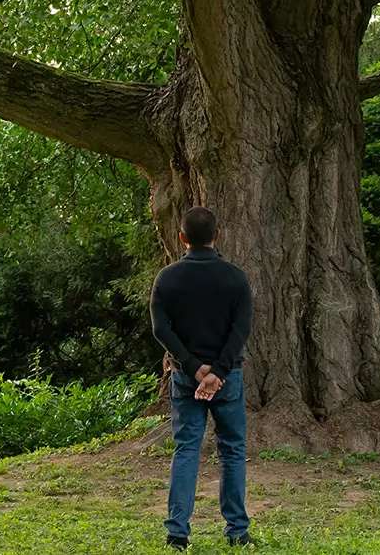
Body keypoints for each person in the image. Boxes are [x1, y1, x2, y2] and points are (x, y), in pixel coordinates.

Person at [150, 206, 255, 550]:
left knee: (186, 450)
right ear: (216, 235)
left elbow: (161, 329)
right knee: (233, 451)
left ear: (182, 238)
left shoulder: (167, 279)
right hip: (228, 378)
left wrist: (194, 368)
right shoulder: (236, 278)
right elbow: (241, 329)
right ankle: (237, 531)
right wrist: (219, 372)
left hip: (185, 377)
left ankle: (177, 533)